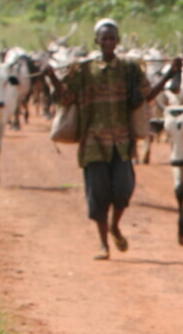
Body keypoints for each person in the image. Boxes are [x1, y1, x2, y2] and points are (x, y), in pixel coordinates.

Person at [45, 18, 171, 260]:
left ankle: (115, 226)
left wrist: (171, 75)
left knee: (123, 191)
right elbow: (65, 98)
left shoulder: (130, 69)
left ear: (118, 41)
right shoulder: (83, 70)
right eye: (104, 38)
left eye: (112, 38)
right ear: (97, 41)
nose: (108, 42)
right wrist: (51, 77)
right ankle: (104, 244)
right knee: (98, 196)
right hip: (92, 145)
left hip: (122, 144)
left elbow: (148, 95)